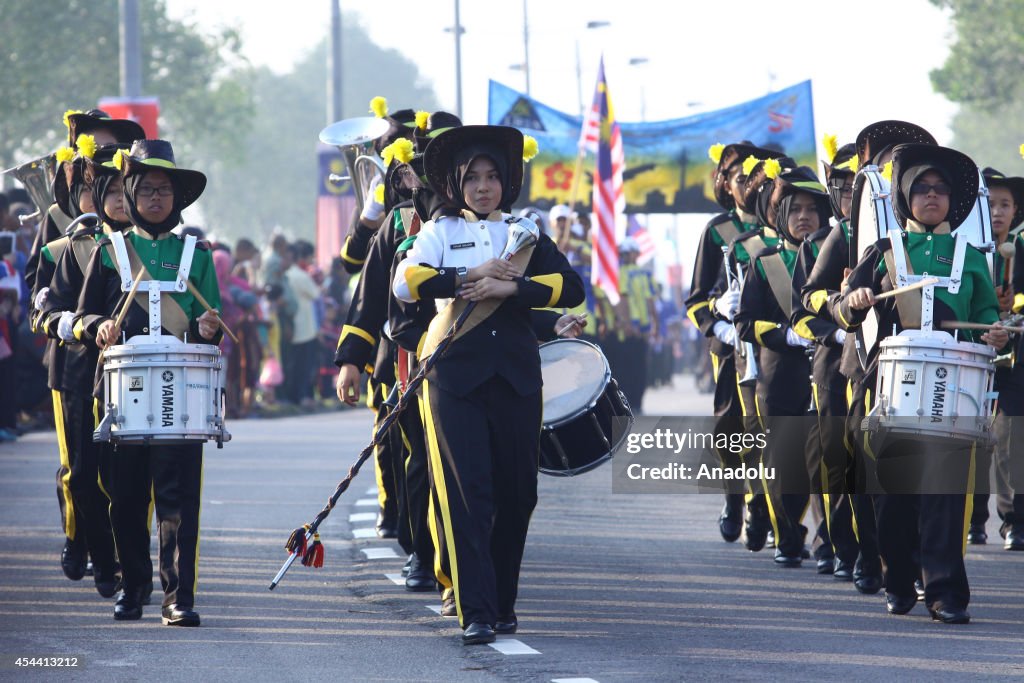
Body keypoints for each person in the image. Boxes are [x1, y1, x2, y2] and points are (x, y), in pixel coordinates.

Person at [393, 125, 584, 645]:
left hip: (518, 377)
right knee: (467, 493)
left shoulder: (525, 233)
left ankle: (503, 601)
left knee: (519, 494)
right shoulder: (437, 233)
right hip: (455, 376)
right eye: (472, 177)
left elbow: (571, 286)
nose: (483, 186)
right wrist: (464, 277)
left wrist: (513, 285)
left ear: (507, 182)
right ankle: (475, 608)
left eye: (493, 176)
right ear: (456, 184)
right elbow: (405, 282)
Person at [834, 143, 1006, 624]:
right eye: (922, 189)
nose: (933, 196)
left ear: (953, 201)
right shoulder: (883, 252)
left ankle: (946, 593)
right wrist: (856, 300)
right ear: (905, 198)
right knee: (892, 498)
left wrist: (992, 331)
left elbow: (987, 315)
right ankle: (898, 578)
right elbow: (841, 309)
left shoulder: (972, 258)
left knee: (945, 496)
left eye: (941, 190)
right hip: (889, 388)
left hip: (951, 391)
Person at [74, 139, 220, 626]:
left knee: (179, 499)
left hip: (178, 394)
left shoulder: (197, 254)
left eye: (165, 191)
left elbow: (209, 319)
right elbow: (86, 312)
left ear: (177, 199)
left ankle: (179, 597)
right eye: (147, 190)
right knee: (127, 497)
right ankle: (132, 588)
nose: (156, 199)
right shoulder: (110, 250)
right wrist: (100, 326)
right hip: (122, 393)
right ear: (131, 193)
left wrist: (207, 327)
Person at [38, 142, 132, 599]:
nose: (107, 200)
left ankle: (124, 560)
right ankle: (91, 549)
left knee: (128, 478)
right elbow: (44, 311)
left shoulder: (145, 248)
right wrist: (77, 324)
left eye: (117, 190)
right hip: (77, 371)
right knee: (83, 474)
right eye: (98, 190)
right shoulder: (63, 248)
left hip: (130, 374)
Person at [686, 142, 784, 544]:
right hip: (730, 345)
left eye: (756, 177)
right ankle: (734, 497)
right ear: (726, 184)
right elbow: (695, 300)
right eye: (740, 178)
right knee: (731, 427)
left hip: (775, 340)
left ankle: (765, 509)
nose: (750, 184)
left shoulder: (781, 226)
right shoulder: (718, 231)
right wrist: (717, 318)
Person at [734, 163, 832, 566]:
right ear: (781, 215)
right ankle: (789, 537)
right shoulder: (765, 261)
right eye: (795, 210)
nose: (804, 217)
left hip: (827, 370)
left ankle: (829, 544)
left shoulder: (836, 255)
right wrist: (785, 334)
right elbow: (743, 323)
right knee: (782, 463)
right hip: (779, 374)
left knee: (828, 462)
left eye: (812, 209)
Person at [789, 136, 860, 577]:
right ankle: (837, 544)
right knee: (835, 454)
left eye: (860, 185)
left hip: (879, 365)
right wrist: (837, 331)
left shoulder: (896, 238)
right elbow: (801, 314)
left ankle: (873, 550)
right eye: (845, 187)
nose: (853, 195)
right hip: (833, 361)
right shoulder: (821, 242)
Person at [984, 165, 1024, 551]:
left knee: (1011, 437)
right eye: (990, 203)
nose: (997, 211)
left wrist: (1014, 307)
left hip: (1015, 358)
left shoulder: (1021, 249)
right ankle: (973, 518)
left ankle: (1013, 520)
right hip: (973, 350)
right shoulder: (964, 248)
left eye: (1005, 204)